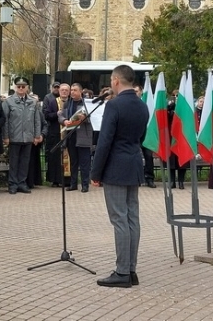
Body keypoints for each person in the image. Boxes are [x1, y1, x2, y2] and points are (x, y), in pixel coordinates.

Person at [91, 64, 149, 288]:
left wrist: (96, 173)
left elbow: (105, 141)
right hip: (134, 164)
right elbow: (141, 137)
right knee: (132, 218)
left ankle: (122, 271)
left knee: (119, 219)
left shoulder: (114, 105)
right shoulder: (142, 106)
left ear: (116, 80)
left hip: (115, 167)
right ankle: (131, 269)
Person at [2, 77, 43, 195]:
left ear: (27, 88)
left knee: (25, 162)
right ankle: (13, 184)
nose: (21, 88)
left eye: (23, 86)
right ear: (15, 87)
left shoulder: (33, 102)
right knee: (14, 162)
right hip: (14, 136)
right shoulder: (8, 102)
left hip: (28, 137)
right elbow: (5, 121)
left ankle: (21, 183)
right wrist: (6, 136)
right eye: (18, 86)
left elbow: (37, 120)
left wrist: (37, 136)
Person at [59, 83, 93, 192]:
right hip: (71, 135)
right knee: (73, 161)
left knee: (84, 162)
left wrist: (85, 118)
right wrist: (64, 120)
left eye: (75, 90)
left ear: (81, 91)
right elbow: (60, 115)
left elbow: (94, 118)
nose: (72, 92)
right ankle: (73, 184)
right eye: (71, 90)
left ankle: (85, 185)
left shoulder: (87, 103)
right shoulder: (67, 103)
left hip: (83, 135)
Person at [43, 83, 69, 187]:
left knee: (67, 157)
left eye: (66, 90)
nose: (64, 92)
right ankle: (55, 180)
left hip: (68, 134)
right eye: (62, 90)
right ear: (59, 91)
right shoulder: (53, 102)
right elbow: (46, 115)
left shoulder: (71, 102)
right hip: (55, 133)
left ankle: (67, 180)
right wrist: (56, 114)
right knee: (55, 157)